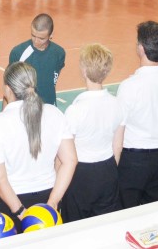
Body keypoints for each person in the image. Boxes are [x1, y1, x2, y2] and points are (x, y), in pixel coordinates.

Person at [0, 62, 77, 222]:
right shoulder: (55, 114)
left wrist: (20, 211)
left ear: (7, 89)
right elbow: (70, 160)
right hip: (45, 200)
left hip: (5, 204)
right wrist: (53, 202)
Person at [117, 21, 158, 206]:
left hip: (132, 159)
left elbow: (119, 131)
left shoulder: (128, 86)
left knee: (125, 211)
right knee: (154, 210)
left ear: (140, 48)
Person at [62, 44, 123, 223]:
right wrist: (109, 170)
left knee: (75, 222)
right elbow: (117, 146)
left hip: (80, 173)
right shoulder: (117, 104)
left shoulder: (75, 110)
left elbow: (66, 154)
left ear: (83, 70)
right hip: (107, 169)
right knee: (104, 223)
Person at [9, 14, 65, 106]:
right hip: (26, 108)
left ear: (51, 35)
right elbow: (9, 86)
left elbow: (52, 81)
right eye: (33, 35)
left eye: (41, 38)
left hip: (49, 106)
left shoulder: (59, 53)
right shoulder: (18, 52)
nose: (36, 41)